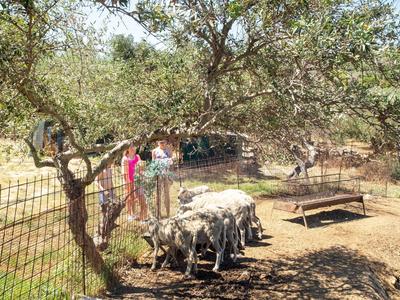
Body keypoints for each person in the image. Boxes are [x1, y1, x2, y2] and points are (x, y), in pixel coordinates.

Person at [152, 140, 173, 217]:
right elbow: (153, 163)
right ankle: (159, 214)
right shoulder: (154, 151)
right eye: (160, 142)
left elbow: (171, 161)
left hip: (167, 175)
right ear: (158, 142)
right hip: (158, 175)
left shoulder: (169, 150)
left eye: (164, 142)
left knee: (167, 194)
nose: (162, 143)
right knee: (158, 194)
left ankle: (168, 214)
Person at [121, 143, 141, 221]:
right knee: (129, 197)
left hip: (136, 180)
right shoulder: (125, 158)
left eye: (134, 147)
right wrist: (128, 182)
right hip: (128, 181)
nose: (133, 148)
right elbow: (124, 173)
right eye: (131, 147)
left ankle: (134, 213)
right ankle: (129, 214)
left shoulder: (137, 157)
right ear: (127, 149)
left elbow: (140, 168)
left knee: (135, 197)